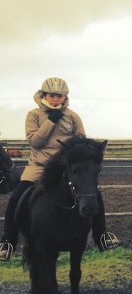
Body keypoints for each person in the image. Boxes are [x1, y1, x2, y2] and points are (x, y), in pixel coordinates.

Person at [0, 77, 120, 261]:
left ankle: (102, 236)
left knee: (94, 194)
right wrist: (51, 120)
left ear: (65, 97)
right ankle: (7, 242)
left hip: (65, 168)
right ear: (43, 95)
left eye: (60, 96)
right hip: (39, 166)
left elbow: (80, 144)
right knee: (17, 197)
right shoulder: (33, 115)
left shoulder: (73, 116)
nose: (56, 99)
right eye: (53, 95)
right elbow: (35, 142)